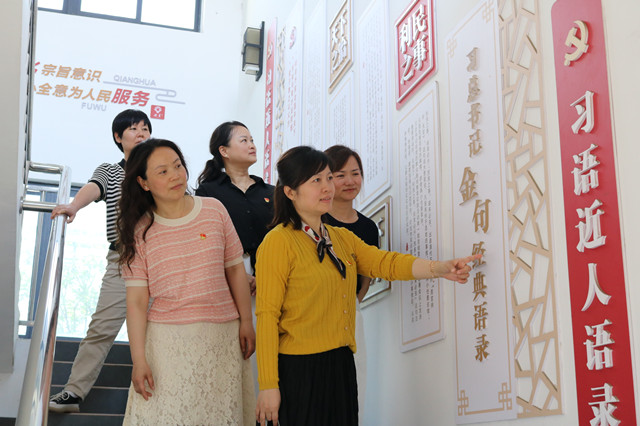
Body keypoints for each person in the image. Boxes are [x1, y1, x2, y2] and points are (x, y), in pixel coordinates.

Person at [254, 146, 480, 426]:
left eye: (328, 178)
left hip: (341, 364)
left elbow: (386, 263)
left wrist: (439, 268)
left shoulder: (341, 238)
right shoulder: (278, 242)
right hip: (299, 369)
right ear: (290, 192)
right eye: (316, 180)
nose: (327, 187)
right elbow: (267, 316)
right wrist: (268, 384)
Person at [117, 138, 255, 425]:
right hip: (166, 345)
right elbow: (137, 302)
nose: (175, 175)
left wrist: (246, 321)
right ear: (143, 182)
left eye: (178, 166)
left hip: (222, 338)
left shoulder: (214, 210)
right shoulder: (138, 232)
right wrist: (139, 360)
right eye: (163, 171)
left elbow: (235, 271)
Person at [49, 109, 151, 413]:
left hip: (162, 259)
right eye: (133, 129)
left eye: (146, 129)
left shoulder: (159, 170)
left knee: (160, 331)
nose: (141, 133)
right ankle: (73, 392)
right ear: (118, 137)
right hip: (124, 257)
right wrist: (73, 206)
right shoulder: (110, 170)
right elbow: (94, 188)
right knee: (102, 327)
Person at [323, 145, 378, 422]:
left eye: (355, 174)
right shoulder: (317, 221)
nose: (349, 181)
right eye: (340, 175)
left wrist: (353, 303)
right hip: (314, 314)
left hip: (350, 315)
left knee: (354, 384)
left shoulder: (368, 228)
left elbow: (366, 276)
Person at [195, 121, 274, 288]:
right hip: (226, 275)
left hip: (272, 272)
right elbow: (205, 239)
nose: (252, 145)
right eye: (244, 140)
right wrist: (236, 273)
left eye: (252, 140)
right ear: (224, 151)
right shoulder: (208, 191)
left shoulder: (271, 192)